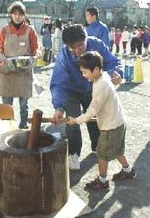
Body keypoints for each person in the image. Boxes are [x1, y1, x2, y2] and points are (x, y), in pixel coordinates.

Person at [50, 24, 123, 170]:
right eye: (73, 48)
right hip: (71, 91)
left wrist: (117, 73)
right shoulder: (64, 56)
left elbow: (112, 61)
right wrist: (59, 106)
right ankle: (74, 153)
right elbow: (59, 83)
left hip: (93, 88)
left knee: (95, 119)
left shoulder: (96, 44)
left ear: (86, 39)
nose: (78, 50)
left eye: (80, 45)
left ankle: (97, 147)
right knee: (73, 121)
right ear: (67, 46)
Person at [67, 51, 135, 191]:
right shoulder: (103, 77)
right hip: (118, 122)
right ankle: (128, 171)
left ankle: (103, 181)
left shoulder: (100, 85)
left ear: (96, 69)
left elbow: (92, 110)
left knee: (102, 154)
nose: (83, 75)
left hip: (111, 126)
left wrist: (76, 121)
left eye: (85, 72)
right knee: (118, 151)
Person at [0, 1, 39, 129]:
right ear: (11, 15)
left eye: (20, 14)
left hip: (24, 71)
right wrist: (2, 57)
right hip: (8, 70)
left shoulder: (30, 30)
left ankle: (23, 124)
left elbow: (36, 48)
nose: (17, 16)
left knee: (23, 103)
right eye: (15, 14)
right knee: (6, 103)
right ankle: (7, 127)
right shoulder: (4, 30)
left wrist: (35, 55)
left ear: (24, 15)